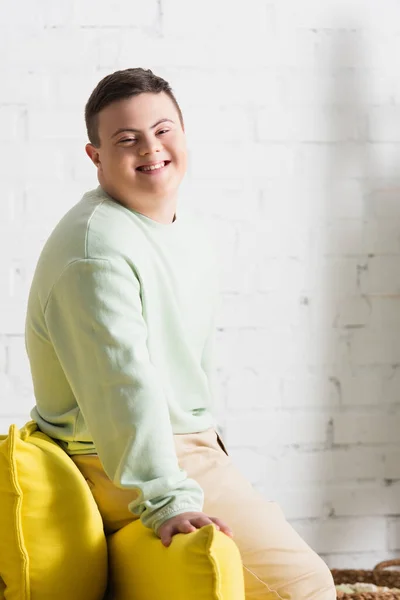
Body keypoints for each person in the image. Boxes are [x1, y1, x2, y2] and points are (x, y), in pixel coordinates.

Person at [25, 67, 335, 599]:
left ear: (184, 134)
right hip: (112, 459)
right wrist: (169, 500)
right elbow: (124, 388)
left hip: (183, 445)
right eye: (126, 139)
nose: (151, 147)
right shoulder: (94, 253)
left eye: (164, 129)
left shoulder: (179, 229)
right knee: (305, 587)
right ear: (95, 156)